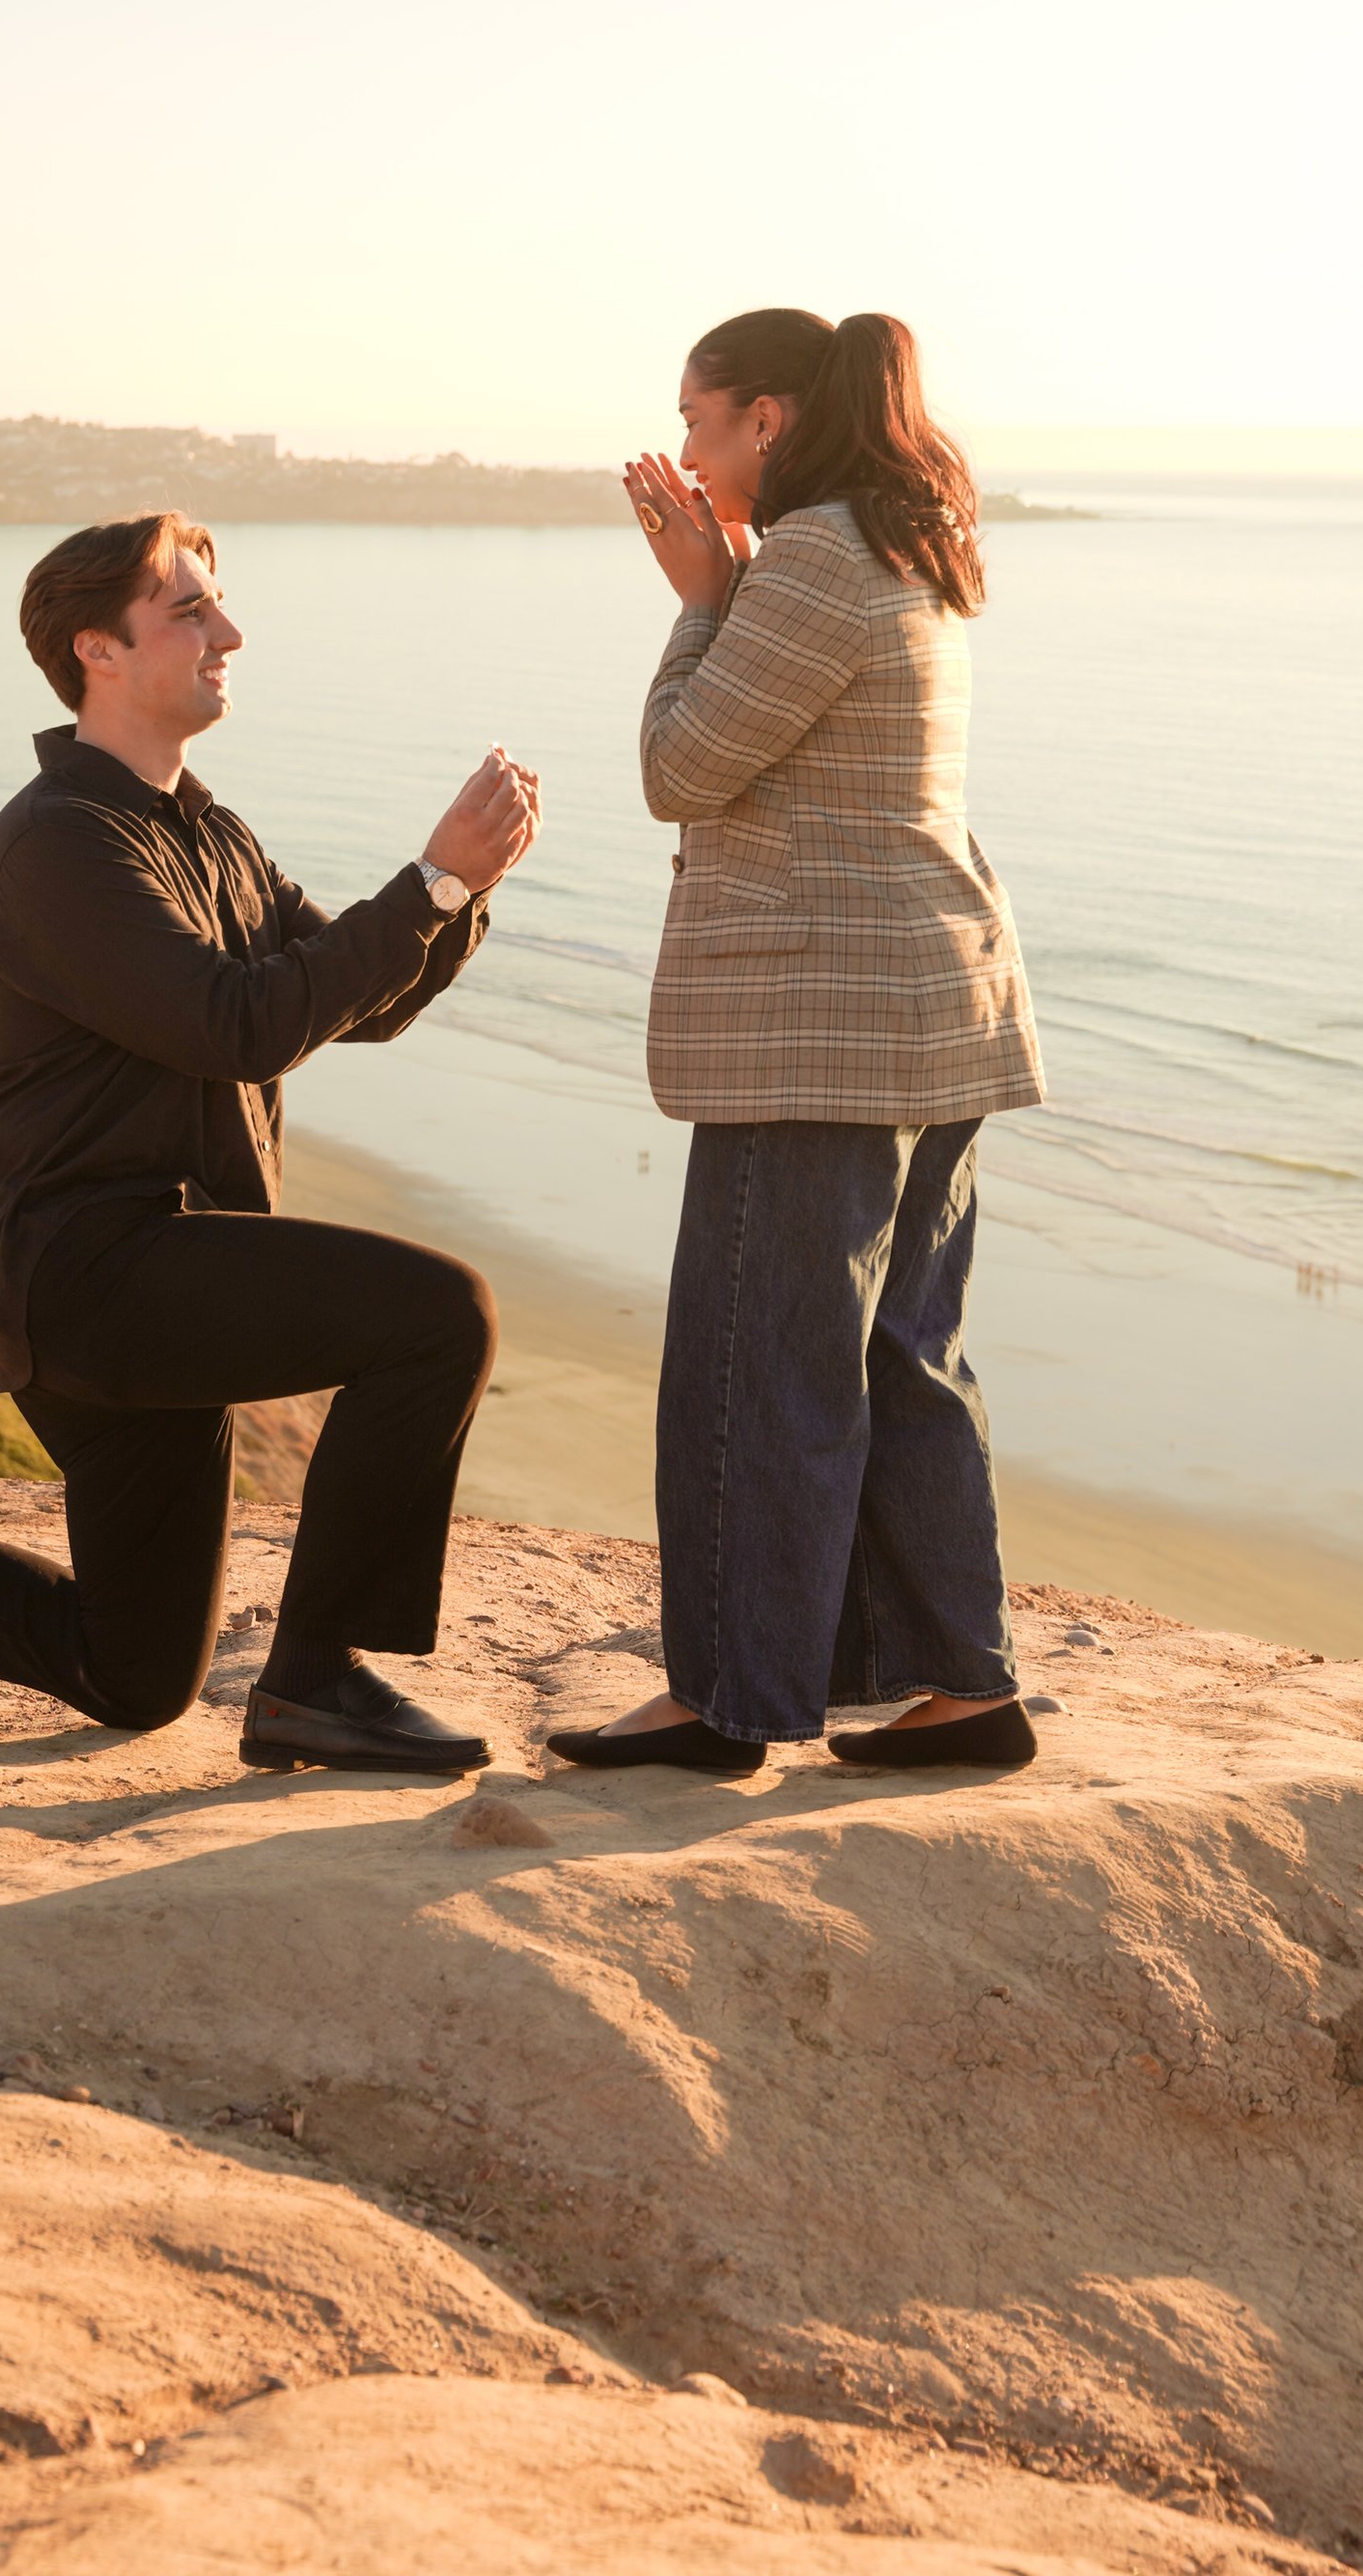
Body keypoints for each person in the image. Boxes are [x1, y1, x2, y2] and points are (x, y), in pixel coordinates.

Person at [0, 509, 540, 1776]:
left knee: (134, 1671)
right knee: (442, 1314)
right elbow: (237, 1025)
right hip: (84, 1268)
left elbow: (353, 1002)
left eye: (219, 605)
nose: (228, 633)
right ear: (97, 647)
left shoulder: (208, 831)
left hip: (168, 1270)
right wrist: (423, 882)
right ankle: (318, 1679)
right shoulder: (58, 843)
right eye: (191, 609)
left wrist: (462, 889)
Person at [548, 310, 1044, 1778]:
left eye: (697, 420)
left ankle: (731, 1700)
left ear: (767, 418)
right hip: (931, 1009)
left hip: (821, 1029)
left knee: (759, 1366)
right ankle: (964, 1685)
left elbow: (680, 765)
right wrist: (733, 579)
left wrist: (704, 598)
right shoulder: (902, 544)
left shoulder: (818, 555)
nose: (686, 452)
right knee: (900, 1357)